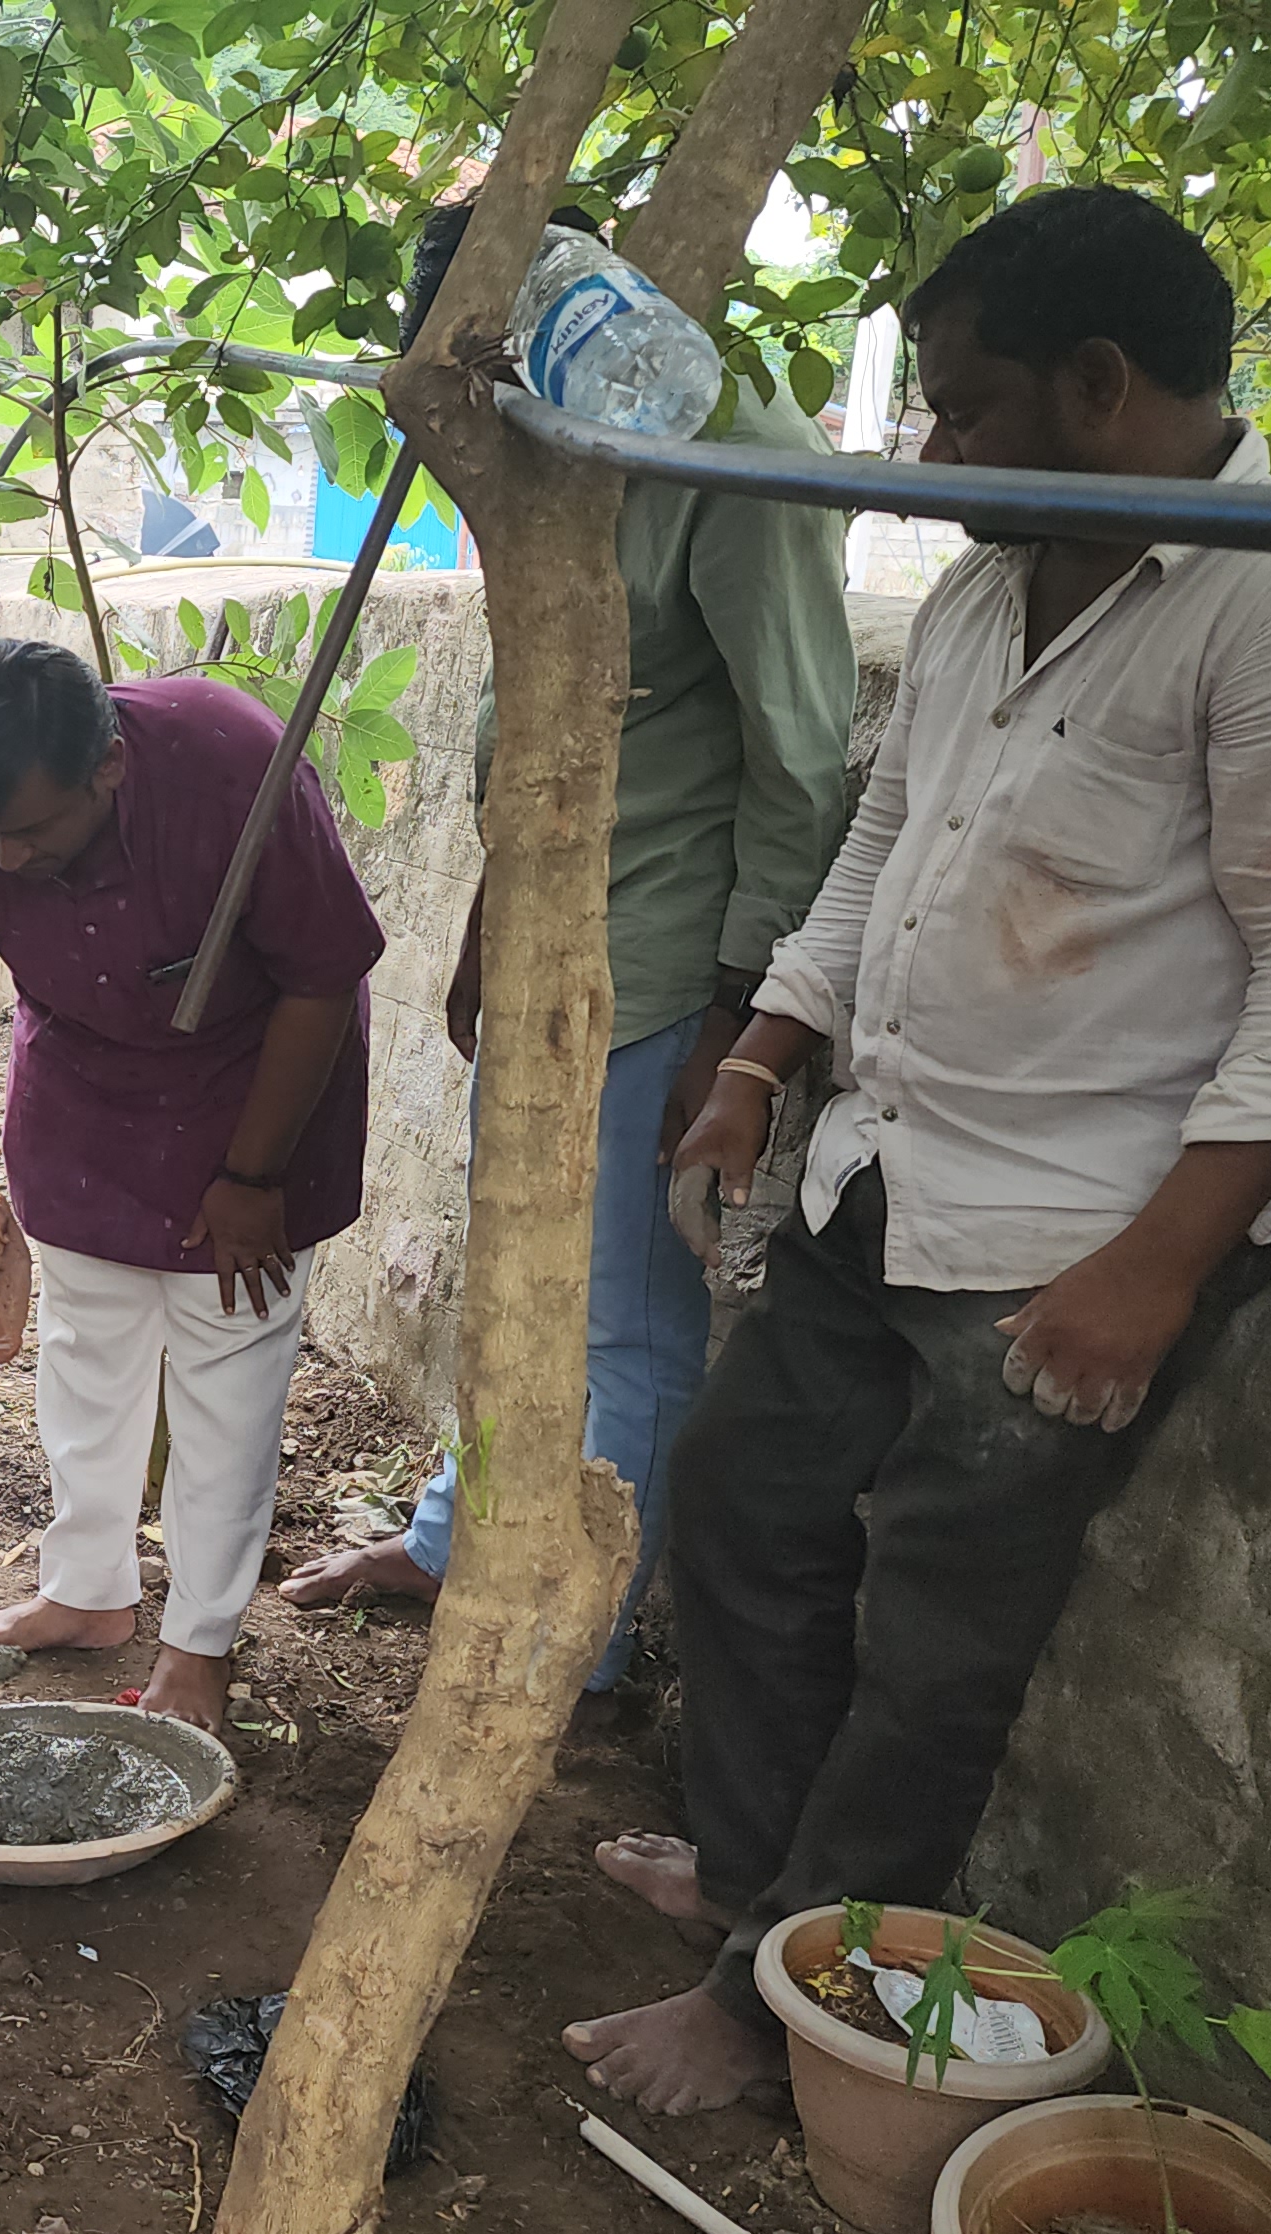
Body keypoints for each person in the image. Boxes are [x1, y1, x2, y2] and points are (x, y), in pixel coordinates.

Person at [563, 186, 1271, 2112]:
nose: (930, 447)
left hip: (1070, 1234)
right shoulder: (993, 589)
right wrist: (766, 1054)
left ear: (1102, 384)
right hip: (879, 1171)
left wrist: (1156, 1269)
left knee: (938, 1633)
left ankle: (778, 2005)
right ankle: (755, 1889)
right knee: (736, 1501)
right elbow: (885, 844)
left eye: (964, 407)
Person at [284, 201, 860, 1712]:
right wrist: (490, 924)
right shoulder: (556, 430)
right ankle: (455, 1544)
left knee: (621, 1321)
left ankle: (571, 1648)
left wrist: (738, 1024)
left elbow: (800, 756)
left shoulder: (729, 449)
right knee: (518, 1281)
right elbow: (552, 704)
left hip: (665, 966)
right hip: (551, 933)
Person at [0, 644, 386, 1722]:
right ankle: (85, 1591)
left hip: (254, 1088)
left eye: (33, 829)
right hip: (82, 1093)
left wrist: (252, 1174)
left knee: (225, 1371)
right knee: (87, 1350)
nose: (8, 858)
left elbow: (323, 976)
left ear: (107, 766)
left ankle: (200, 1641)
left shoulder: (232, 764)